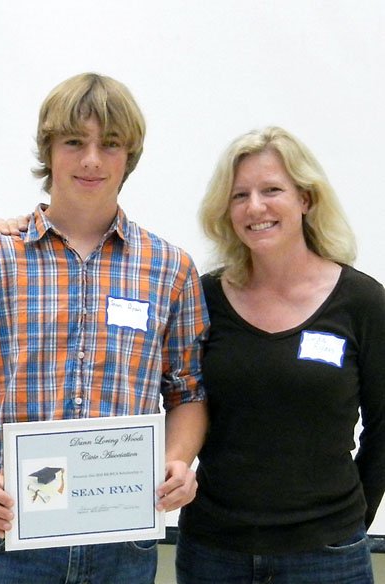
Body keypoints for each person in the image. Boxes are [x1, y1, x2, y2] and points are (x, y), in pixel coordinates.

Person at [0, 72, 210, 584]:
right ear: (48, 148)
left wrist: (176, 461)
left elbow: (188, 390)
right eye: (74, 142)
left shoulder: (171, 269)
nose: (92, 160)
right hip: (13, 532)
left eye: (111, 144)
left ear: (130, 156)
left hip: (124, 539)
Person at [176, 126, 385, 583]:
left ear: (306, 199)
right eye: (239, 195)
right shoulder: (203, 298)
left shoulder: (362, 302)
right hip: (214, 552)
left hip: (327, 556)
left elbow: (384, 426)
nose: (255, 207)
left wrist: (348, 523)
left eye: (272, 190)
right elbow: (179, 399)